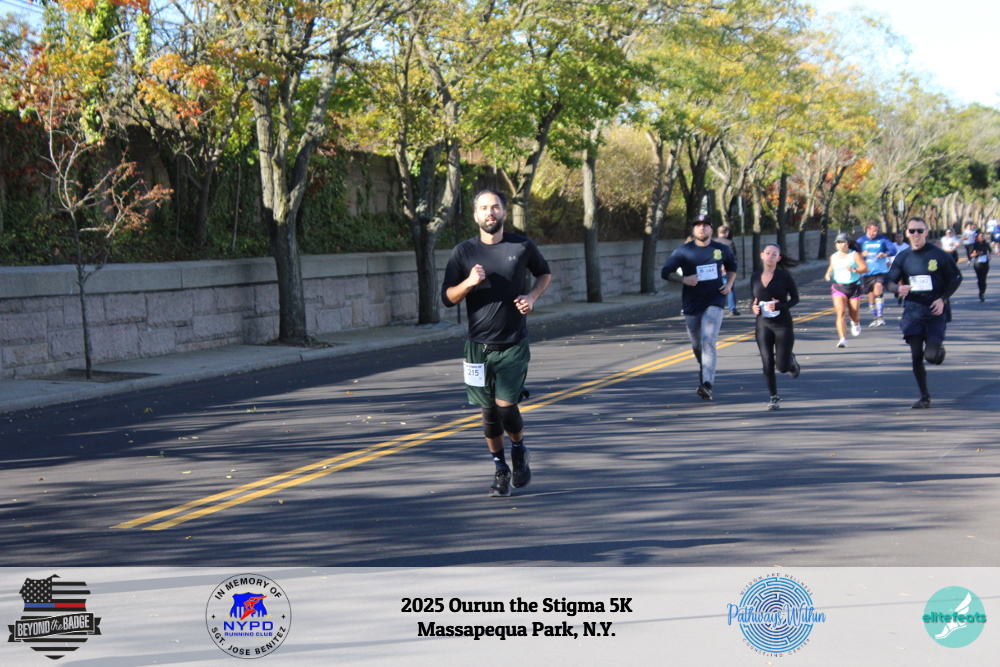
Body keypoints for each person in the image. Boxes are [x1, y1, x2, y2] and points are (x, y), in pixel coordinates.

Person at [441, 188, 552, 497]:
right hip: (477, 348)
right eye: (483, 208)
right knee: (488, 413)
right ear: (475, 215)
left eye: (495, 207)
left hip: (513, 343)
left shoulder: (522, 246)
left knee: (505, 408)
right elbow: (447, 298)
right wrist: (468, 282)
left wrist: (532, 296)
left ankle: (518, 448)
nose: (489, 212)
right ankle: (500, 469)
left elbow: (544, 273)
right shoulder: (463, 252)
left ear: (504, 212)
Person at [887, 217, 963, 409]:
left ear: (926, 232)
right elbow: (890, 281)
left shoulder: (939, 255)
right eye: (912, 231)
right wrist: (898, 288)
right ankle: (924, 396)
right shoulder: (903, 257)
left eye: (920, 231)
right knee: (916, 355)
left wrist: (943, 299)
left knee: (931, 356)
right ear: (907, 233)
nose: (916, 234)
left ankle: (938, 349)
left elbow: (956, 277)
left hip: (935, 311)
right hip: (913, 312)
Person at [660, 216, 737, 401]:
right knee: (697, 346)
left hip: (715, 301)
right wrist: (684, 279)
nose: (702, 228)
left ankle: (707, 384)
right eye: (698, 226)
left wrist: (728, 286)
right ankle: (705, 368)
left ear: (711, 230)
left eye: (705, 225)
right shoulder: (683, 251)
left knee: (708, 340)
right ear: (693, 230)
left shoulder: (721, 249)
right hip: (692, 304)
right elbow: (665, 272)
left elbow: (732, 267)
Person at [750, 244, 800, 410]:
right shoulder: (755, 276)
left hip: (783, 325)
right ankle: (774, 397)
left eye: (774, 254)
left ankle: (790, 363)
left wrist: (779, 306)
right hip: (763, 324)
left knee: (782, 367)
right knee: (767, 362)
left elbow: (795, 299)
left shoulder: (784, 276)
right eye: (767, 253)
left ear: (778, 258)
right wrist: (753, 308)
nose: (770, 257)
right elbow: (753, 300)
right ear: (762, 255)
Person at [824, 233, 868, 348]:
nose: (840, 245)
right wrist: (828, 273)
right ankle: (842, 339)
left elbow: (865, 268)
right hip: (839, 287)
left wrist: (854, 269)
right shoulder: (834, 257)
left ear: (847, 243)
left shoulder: (854, 255)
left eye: (842, 242)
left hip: (854, 287)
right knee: (841, 312)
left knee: (854, 314)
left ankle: (855, 322)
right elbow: (831, 267)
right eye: (838, 243)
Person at [856, 222, 896, 327]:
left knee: (878, 289)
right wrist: (861, 254)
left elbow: (893, 250)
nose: (875, 233)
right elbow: (853, 253)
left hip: (880, 271)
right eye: (873, 231)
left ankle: (880, 317)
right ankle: (875, 318)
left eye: (877, 231)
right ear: (867, 230)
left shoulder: (883, 239)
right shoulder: (861, 240)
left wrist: (885, 254)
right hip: (867, 272)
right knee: (871, 297)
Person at [716, 225, 740, 315]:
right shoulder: (729, 243)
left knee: (717, 288)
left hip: (717, 269)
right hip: (727, 269)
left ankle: (718, 307)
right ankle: (732, 308)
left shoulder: (713, 243)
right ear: (726, 233)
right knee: (730, 287)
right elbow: (733, 257)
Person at [969, 230, 991, 301]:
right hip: (977, 263)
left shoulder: (986, 244)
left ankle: (982, 293)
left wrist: (989, 256)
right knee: (979, 279)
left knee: (983, 278)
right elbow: (971, 254)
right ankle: (980, 291)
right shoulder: (974, 245)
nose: (981, 237)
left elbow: (990, 251)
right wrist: (977, 254)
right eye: (980, 236)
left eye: (982, 236)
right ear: (977, 237)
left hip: (985, 263)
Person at [891, 231, 910, 306]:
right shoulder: (892, 246)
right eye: (897, 237)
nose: (899, 238)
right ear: (895, 238)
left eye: (900, 237)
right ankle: (897, 292)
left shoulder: (907, 246)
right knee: (896, 283)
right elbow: (888, 254)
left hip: (903, 267)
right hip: (893, 267)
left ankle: (901, 298)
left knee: (902, 283)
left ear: (903, 238)